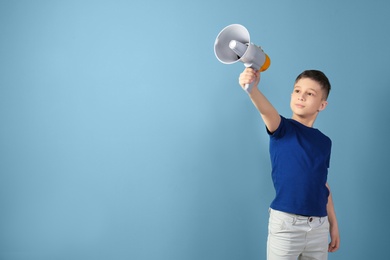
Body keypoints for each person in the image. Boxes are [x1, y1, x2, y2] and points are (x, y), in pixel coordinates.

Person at [238, 68, 340, 260]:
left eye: (310, 94)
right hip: (286, 226)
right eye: (297, 90)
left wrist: (333, 225)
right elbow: (266, 110)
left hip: (319, 227)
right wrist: (252, 89)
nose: (301, 96)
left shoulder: (325, 142)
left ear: (322, 104)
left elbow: (322, 185)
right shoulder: (282, 128)